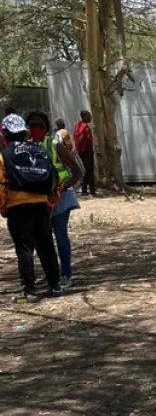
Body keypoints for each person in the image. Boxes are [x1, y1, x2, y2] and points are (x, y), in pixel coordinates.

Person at [0, 114, 62, 300]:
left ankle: (30, 290)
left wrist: (3, 208)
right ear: (25, 132)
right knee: (46, 246)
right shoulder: (40, 151)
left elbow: (1, 184)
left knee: (24, 248)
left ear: (4, 134)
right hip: (42, 207)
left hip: (18, 208)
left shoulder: (4, 155)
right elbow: (55, 179)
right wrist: (50, 202)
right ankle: (55, 286)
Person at [49, 120, 85, 287]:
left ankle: (65, 274)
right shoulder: (27, 148)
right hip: (42, 200)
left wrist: (63, 187)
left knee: (60, 235)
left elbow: (77, 171)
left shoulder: (55, 144)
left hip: (61, 197)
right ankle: (53, 275)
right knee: (45, 239)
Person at [74, 110, 97, 195]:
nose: (90, 117)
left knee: (85, 170)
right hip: (87, 151)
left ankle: (84, 190)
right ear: (84, 117)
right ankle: (92, 190)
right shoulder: (86, 127)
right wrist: (92, 149)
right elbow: (89, 140)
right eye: (88, 116)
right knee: (90, 170)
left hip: (80, 151)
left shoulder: (77, 126)